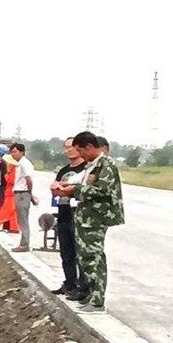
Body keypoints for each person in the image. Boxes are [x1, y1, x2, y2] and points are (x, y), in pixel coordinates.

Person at [59, 131, 124, 311]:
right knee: (86, 258)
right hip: (86, 216)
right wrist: (68, 186)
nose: (81, 155)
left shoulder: (106, 165)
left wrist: (73, 190)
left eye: (81, 151)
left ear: (89, 147)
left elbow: (101, 190)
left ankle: (97, 300)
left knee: (94, 257)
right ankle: (91, 294)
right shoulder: (92, 165)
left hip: (97, 217)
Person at [50, 139, 85, 295]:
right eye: (66, 147)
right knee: (66, 253)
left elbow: (79, 190)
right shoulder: (63, 170)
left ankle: (82, 287)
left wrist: (65, 189)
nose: (69, 150)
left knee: (80, 254)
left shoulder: (86, 169)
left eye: (72, 147)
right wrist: (62, 189)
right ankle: (69, 283)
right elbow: (55, 189)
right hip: (63, 213)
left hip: (79, 215)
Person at [6, 142, 36, 251]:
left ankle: (24, 244)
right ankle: (23, 243)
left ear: (22, 152)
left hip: (22, 193)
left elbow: (28, 179)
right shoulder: (20, 163)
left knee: (23, 220)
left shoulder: (24, 163)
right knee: (21, 219)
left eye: (15, 152)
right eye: (11, 152)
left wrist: (29, 192)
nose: (13, 154)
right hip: (21, 193)